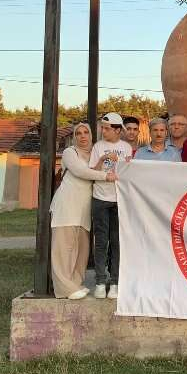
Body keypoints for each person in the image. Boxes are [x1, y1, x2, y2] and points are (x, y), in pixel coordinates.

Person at [50, 123, 116, 300]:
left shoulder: (94, 153)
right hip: (67, 204)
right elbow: (81, 171)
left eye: (86, 132)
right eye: (78, 133)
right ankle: (64, 288)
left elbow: (95, 170)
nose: (82, 136)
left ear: (91, 135)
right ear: (74, 137)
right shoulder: (70, 152)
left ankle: (76, 284)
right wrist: (105, 176)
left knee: (81, 249)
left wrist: (103, 161)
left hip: (85, 207)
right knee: (64, 248)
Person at [89, 113, 133, 300]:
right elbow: (92, 171)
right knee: (101, 241)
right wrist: (103, 159)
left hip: (120, 200)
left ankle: (114, 282)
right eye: (102, 127)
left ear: (117, 130)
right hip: (100, 198)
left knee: (116, 241)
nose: (103, 131)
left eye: (107, 128)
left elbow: (129, 173)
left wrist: (127, 164)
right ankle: (100, 281)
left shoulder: (126, 147)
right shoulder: (98, 146)